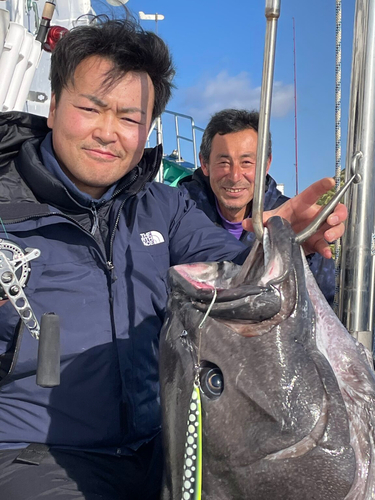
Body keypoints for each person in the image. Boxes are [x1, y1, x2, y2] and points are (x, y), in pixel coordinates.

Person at [0, 15, 346, 500]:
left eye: (128, 118)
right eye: (91, 108)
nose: (107, 132)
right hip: (32, 455)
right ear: (54, 107)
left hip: (162, 449)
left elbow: (233, 269)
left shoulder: (164, 207)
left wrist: (283, 246)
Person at [179, 109, 340, 304]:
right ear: (204, 164)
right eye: (223, 162)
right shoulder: (178, 214)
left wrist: (307, 253)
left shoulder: (295, 222)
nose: (235, 176)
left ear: (266, 164)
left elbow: (326, 301)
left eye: (246, 162)